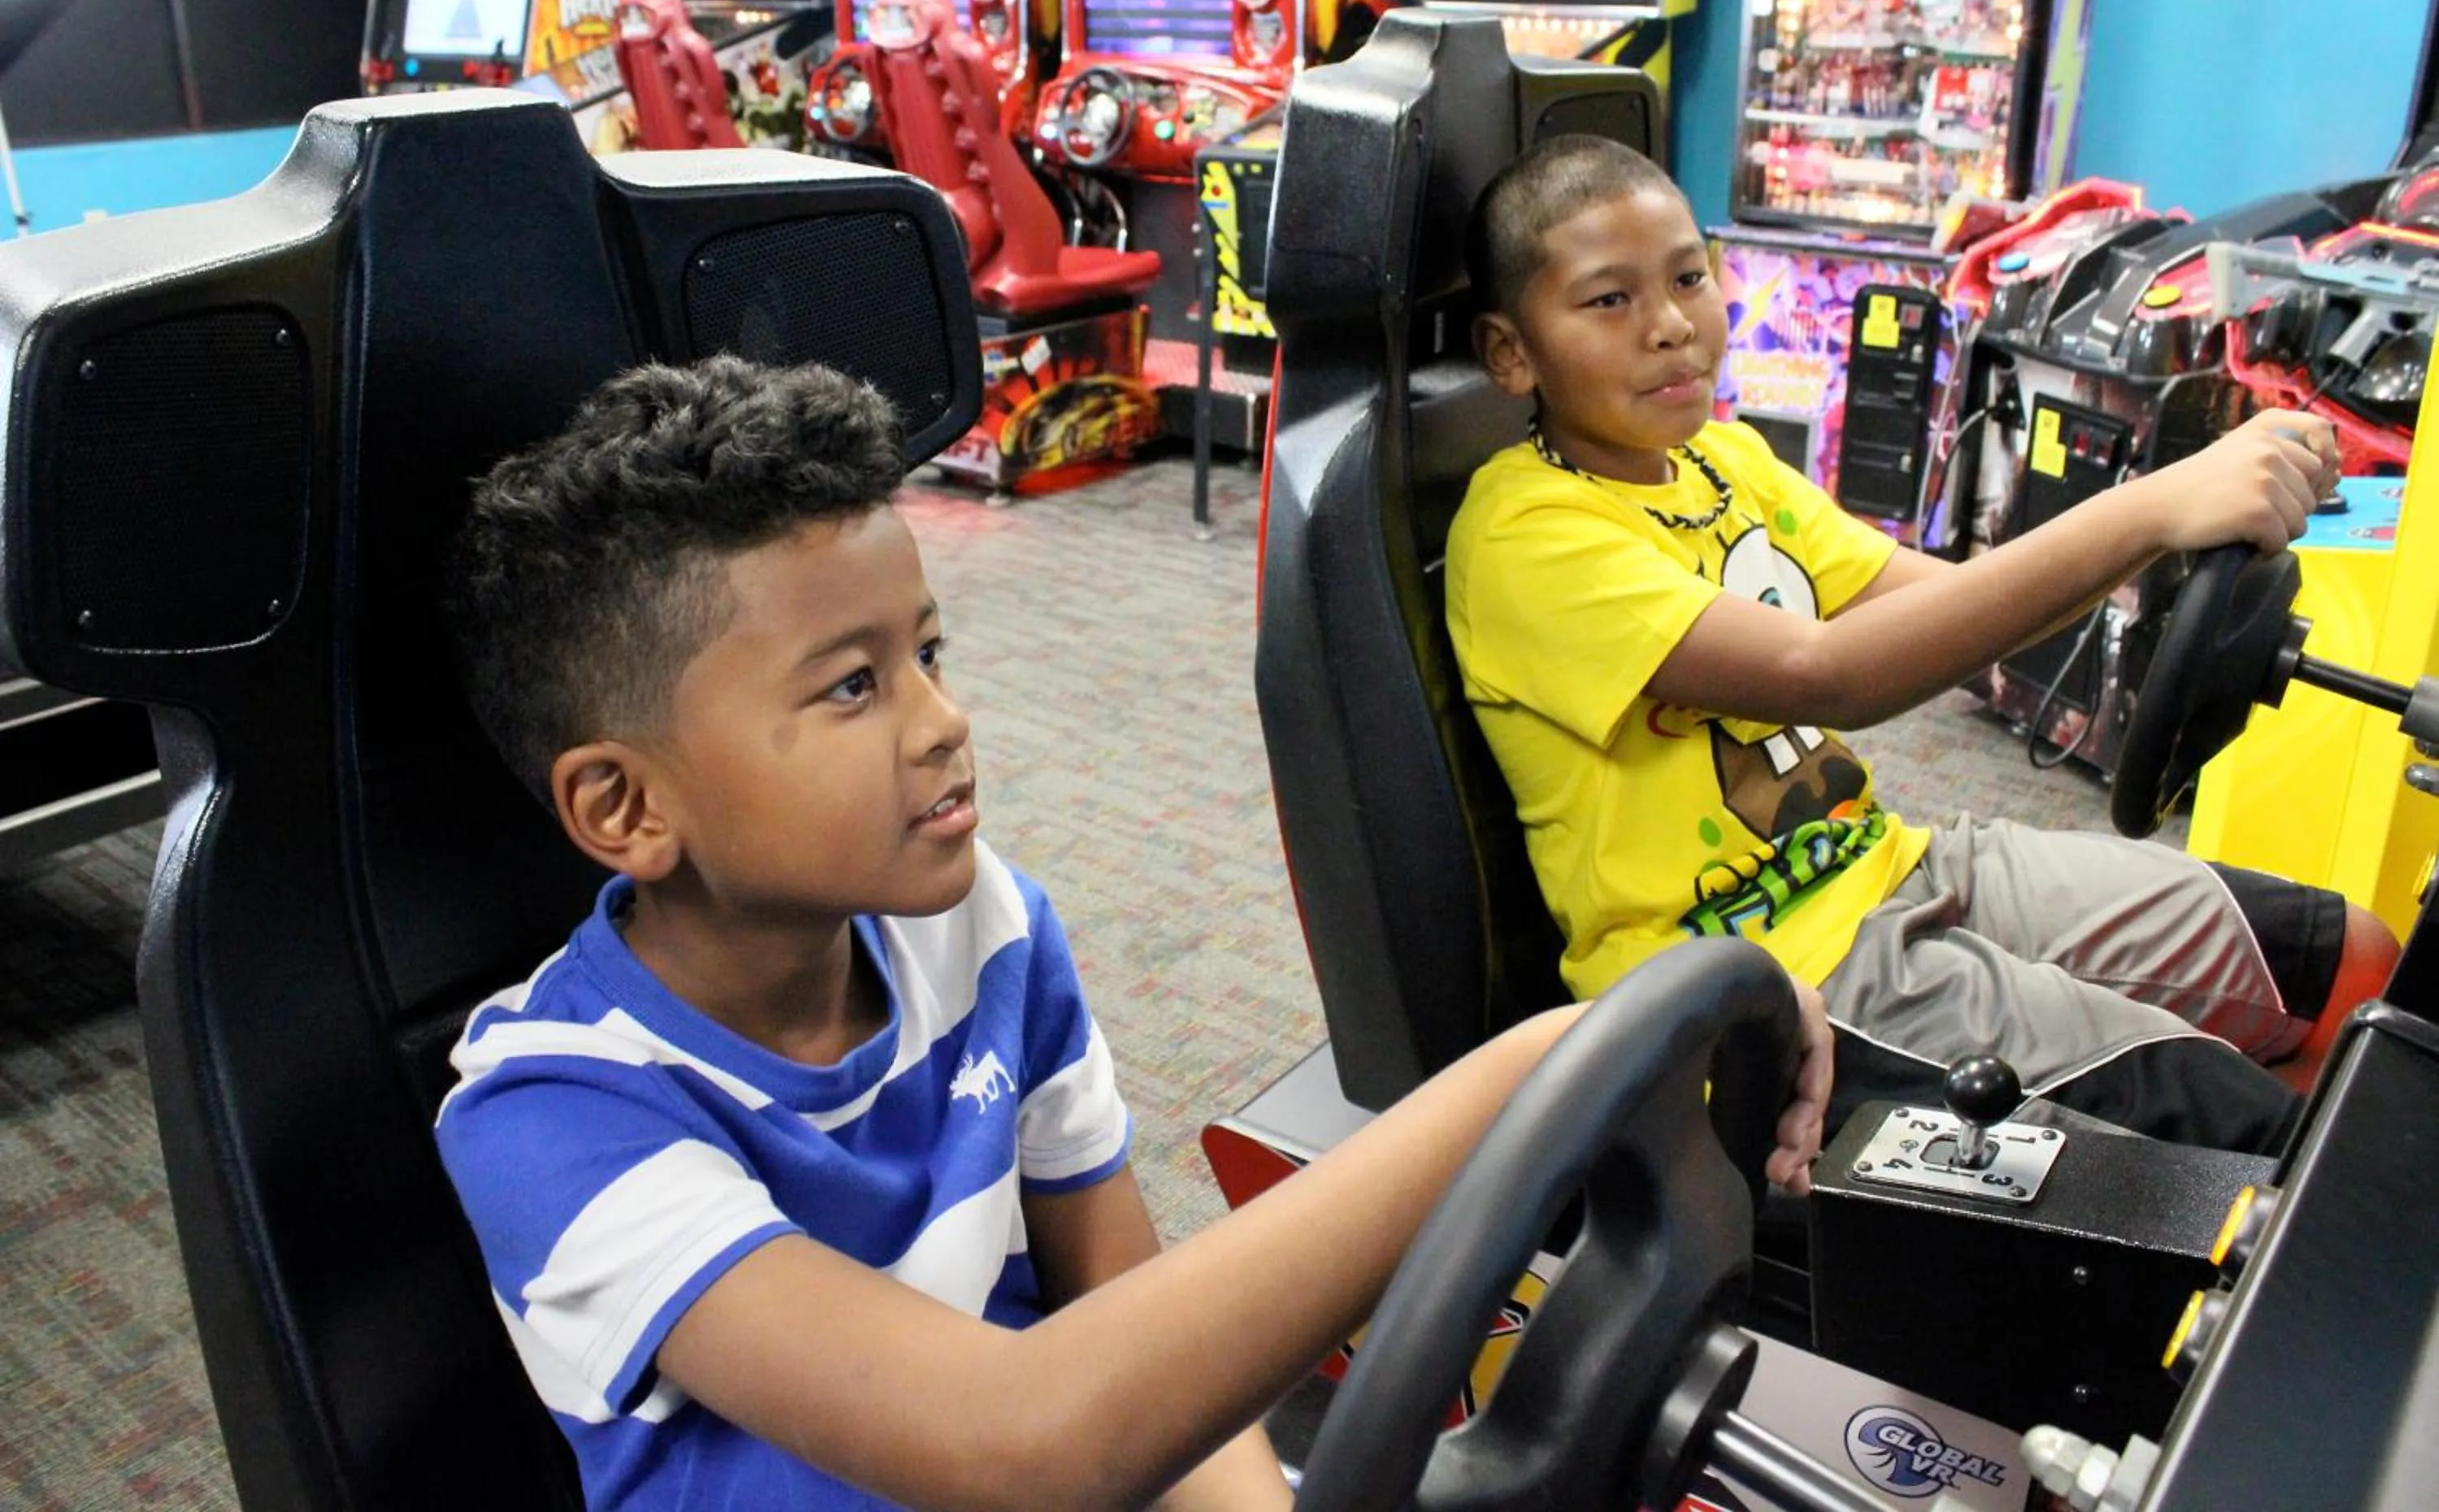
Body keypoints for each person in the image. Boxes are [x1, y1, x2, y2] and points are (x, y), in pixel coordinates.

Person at [433, 356, 1833, 1511]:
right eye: (853, 688)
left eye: (928, 654)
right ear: (624, 808)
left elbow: (1115, 1288)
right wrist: (1540, 1062)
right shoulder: (554, 1115)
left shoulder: (984, 925)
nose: (944, 721)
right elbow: (1021, 1438)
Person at [1446, 134, 2398, 1157]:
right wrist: (2150, 508)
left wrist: (2166, 566)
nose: (1673, 325)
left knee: (2351, 957)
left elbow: (1945, 606)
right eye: (1609, 301)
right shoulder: (1524, 535)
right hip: (1767, 973)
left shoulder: (1724, 461)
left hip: (1900, 860)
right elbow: (1834, 675)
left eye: (1688, 277)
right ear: (1511, 350)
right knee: (2268, 1141)